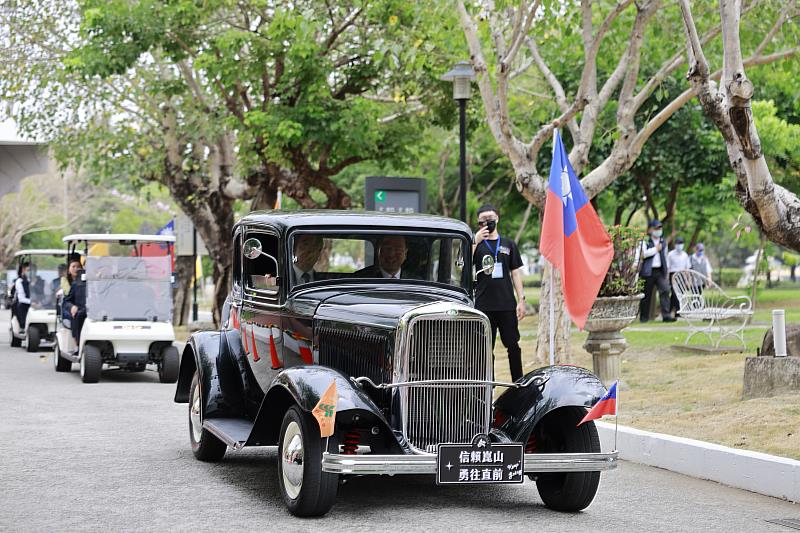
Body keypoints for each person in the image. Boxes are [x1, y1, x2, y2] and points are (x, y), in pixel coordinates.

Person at [472, 204, 526, 382]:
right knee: (484, 348)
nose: (487, 222)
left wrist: (521, 300)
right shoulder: (476, 244)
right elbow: (463, 264)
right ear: (478, 223)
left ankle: (518, 382)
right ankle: (488, 384)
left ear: (497, 219)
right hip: (483, 306)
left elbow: (515, 273)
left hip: (506, 305)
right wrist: (475, 241)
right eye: (483, 220)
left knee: (513, 345)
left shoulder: (508, 244)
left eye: (490, 218)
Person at [639, 219, 674, 322]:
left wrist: (667, 271)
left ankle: (666, 315)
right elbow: (643, 254)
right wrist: (655, 249)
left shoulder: (663, 242)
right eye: (656, 228)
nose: (659, 230)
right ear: (650, 229)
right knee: (646, 294)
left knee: (665, 290)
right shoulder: (645, 240)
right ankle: (644, 317)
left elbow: (665, 257)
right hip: (648, 271)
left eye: (660, 228)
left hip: (660, 271)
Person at [64, 263, 87, 348]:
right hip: (82, 312)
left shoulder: (106, 284)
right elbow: (66, 301)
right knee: (80, 314)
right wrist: (72, 307)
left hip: (101, 313)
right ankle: (78, 344)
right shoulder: (77, 283)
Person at [667, 236, 691, 317]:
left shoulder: (685, 255)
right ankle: (678, 311)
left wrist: (688, 280)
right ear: (675, 244)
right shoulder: (670, 254)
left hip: (682, 275)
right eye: (678, 243)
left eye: (681, 243)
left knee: (680, 293)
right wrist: (668, 279)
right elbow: (668, 268)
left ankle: (671, 310)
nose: (679, 245)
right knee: (675, 293)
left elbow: (687, 269)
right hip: (673, 275)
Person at [13, 261, 32, 331]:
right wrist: (32, 302)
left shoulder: (38, 281)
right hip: (25, 304)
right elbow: (21, 298)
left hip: (37, 304)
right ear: (23, 270)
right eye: (28, 270)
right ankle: (22, 326)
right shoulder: (20, 281)